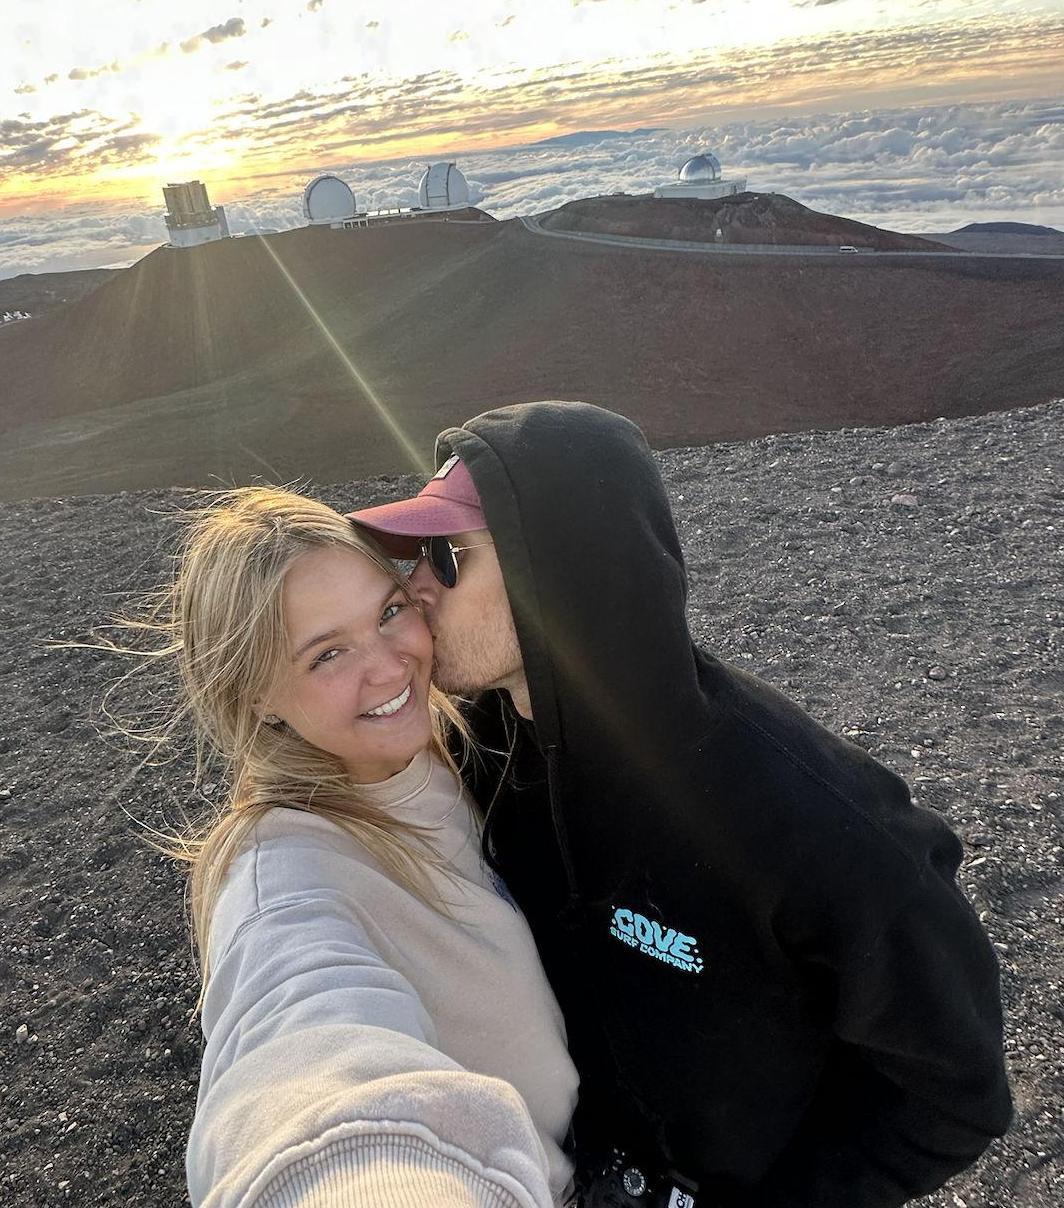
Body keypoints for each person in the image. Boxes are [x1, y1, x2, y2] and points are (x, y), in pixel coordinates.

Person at [347, 400, 1013, 1208]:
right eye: (414, 555)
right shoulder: (475, 753)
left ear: (560, 572)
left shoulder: (805, 816)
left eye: (448, 557)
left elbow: (955, 1091)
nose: (414, 587)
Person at [117, 487, 579, 1206]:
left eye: (390, 612)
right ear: (256, 696)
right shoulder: (283, 880)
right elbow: (299, 1054)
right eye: (327, 654)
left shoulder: (453, 751)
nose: (390, 667)